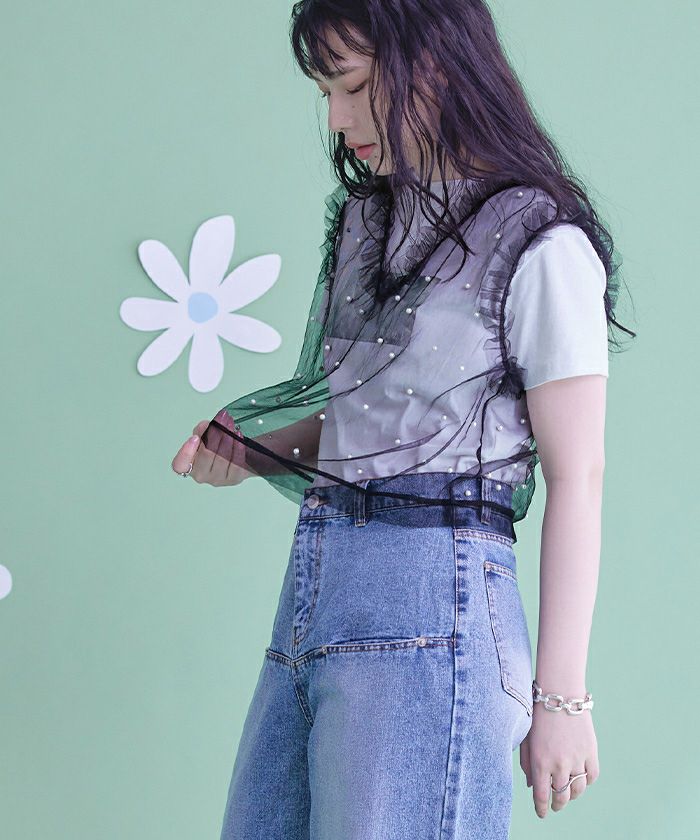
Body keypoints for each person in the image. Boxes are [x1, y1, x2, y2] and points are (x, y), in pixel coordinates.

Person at [171, 2, 635, 837]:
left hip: (438, 601)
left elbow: (580, 473)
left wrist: (562, 699)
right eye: (324, 92)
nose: (336, 119)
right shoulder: (368, 222)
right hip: (316, 588)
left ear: (434, 65)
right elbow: (374, 424)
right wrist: (253, 453)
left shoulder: (541, 241)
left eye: (351, 86)